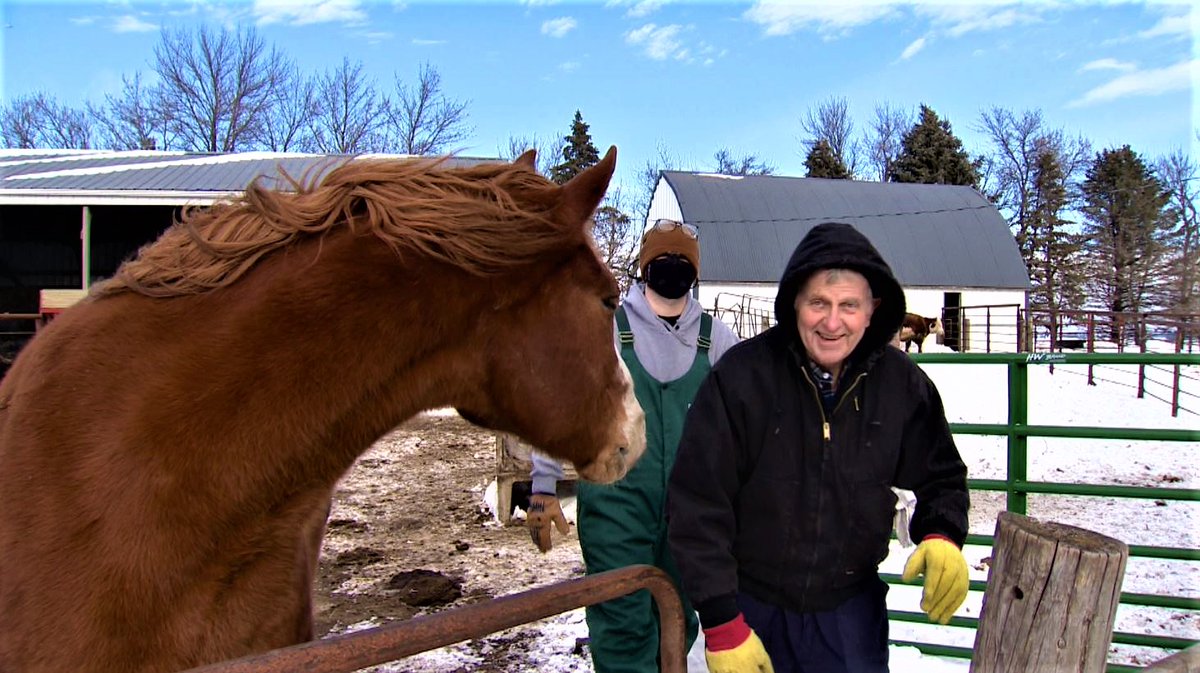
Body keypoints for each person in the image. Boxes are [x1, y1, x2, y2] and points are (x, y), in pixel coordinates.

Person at [666, 221, 970, 673]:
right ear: (794, 304)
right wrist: (722, 621)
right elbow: (696, 504)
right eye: (818, 303)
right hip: (750, 609)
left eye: (849, 305)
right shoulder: (742, 380)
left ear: (873, 310)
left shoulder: (902, 385)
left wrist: (942, 534)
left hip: (850, 615)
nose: (832, 322)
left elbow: (940, 476)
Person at [527, 218, 740, 673]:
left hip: (691, 508)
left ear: (696, 273)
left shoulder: (718, 340)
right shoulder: (606, 330)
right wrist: (543, 486)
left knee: (678, 616)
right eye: (663, 259)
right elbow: (558, 405)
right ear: (644, 268)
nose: (673, 268)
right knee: (622, 616)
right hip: (616, 502)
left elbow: (750, 414)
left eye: (683, 262)